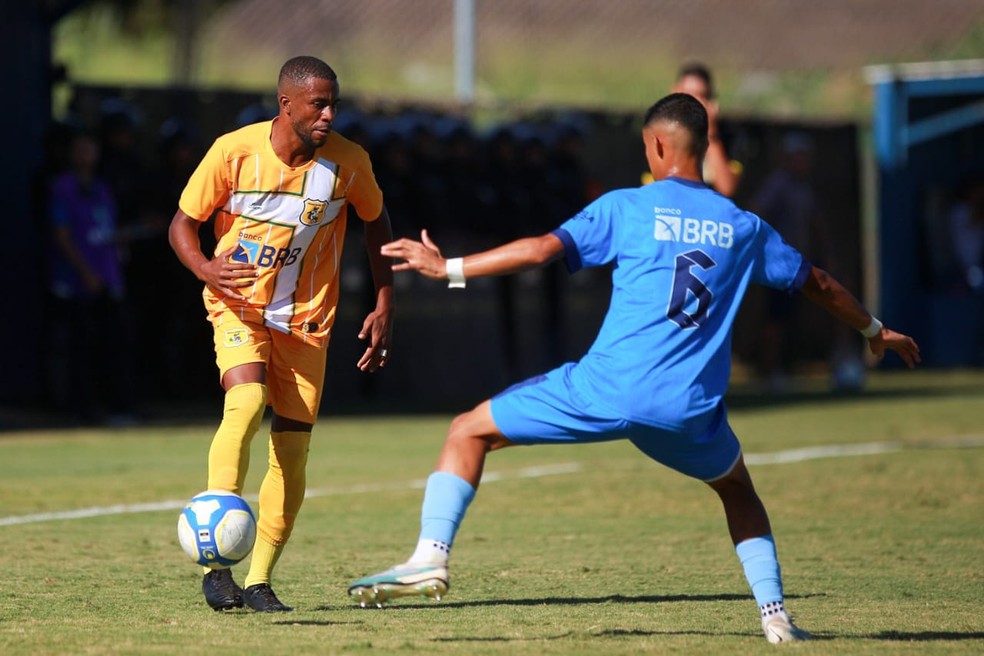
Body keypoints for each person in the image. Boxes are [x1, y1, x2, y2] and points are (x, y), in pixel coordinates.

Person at [347, 94, 920, 643]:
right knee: (738, 490)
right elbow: (816, 281)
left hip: (605, 390)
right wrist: (876, 331)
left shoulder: (628, 206)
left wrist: (447, 266)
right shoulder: (743, 226)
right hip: (689, 410)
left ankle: (430, 560)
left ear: (657, 147)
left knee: (468, 430)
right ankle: (775, 617)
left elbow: (542, 249)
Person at [169, 55, 394, 613]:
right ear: (285, 104)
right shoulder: (234, 151)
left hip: (305, 319)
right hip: (237, 303)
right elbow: (182, 225)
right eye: (318, 104)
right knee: (245, 401)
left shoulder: (348, 163)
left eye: (333, 103)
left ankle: (261, 580)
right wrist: (204, 268)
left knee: (290, 452)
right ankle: (216, 566)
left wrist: (386, 301)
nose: (328, 114)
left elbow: (377, 222)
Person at [47, 130, 136, 425]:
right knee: (79, 347)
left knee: (110, 344)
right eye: (80, 150)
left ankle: (113, 406)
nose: (86, 156)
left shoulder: (101, 188)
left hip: (107, 279)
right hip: (76, 283)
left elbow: (105, 231)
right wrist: (85, 272)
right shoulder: (63, 188)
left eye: (90, 149)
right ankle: (80, 410)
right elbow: (61, 235)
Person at [671, 62, 740, 198]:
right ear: (673, 93)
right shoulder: (659, 131)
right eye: (687, 95)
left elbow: (727, 188)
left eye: (701, 96)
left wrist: (711, 134)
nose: (693, 103)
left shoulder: (727, 136)